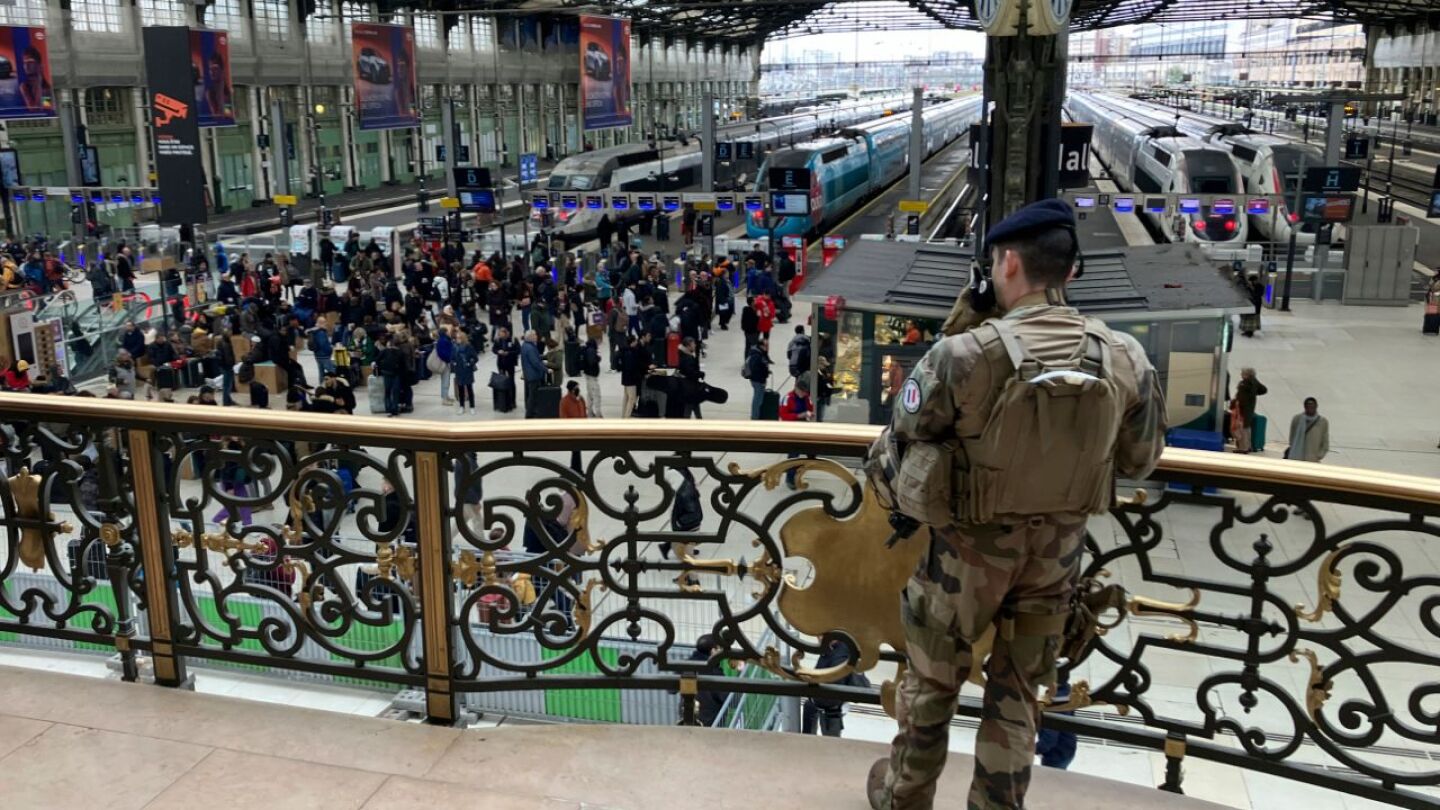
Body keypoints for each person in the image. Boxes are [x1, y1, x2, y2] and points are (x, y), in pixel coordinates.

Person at [865, 199, 1165, 810]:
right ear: (1070, 273)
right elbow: (1140, 460)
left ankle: (905, 796)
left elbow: (904, 430)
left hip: (965, 557)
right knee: (1020, 691)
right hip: (1057, 558)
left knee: (933, 681)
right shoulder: (1124, 356)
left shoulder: (965, 355)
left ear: (1005, 264)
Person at [779, 376, 814, 488]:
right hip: (792, 428)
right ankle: (790, 479)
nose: (803, 394)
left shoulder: (806, 397)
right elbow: (783, 415)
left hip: (803, 427)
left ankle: (798, 472)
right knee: (793, 455)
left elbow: (810, 406)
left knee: (807, 452)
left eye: (805, 392)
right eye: (802, 391)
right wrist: (798, 415)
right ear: (796, 389)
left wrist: (809, 413)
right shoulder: (787, 398)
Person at [1234, 367, 1267, 454]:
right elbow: (1263, 389)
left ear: (1247, 374)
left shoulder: (1246, 383)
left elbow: (1243, 395)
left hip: (1244, 408)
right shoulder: (1254, 381)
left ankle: (1243, 448)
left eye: (1242, 373)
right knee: (1246, 428)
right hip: (1248, 408)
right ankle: (1247, 446)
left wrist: (1240, 402)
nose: (1241, 374)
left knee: (1243, 428)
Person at [1286, 397, 1330, 463]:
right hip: (1296, 457)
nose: (1310, 408)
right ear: (1305, 407)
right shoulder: (1297, 419)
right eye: (1308, 406)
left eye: (1312, 406)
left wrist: (1319, 455)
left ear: (1316, 406)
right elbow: (1292, 437)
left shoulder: (1323, 421)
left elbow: (1325, 441)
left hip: (1312, 458)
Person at [559, 380, 587, 472]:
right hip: (572, 431)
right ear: (571, 390)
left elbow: (584, 412)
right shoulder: (565, 401)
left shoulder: (581, 399)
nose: (578, 390)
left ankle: (576, 469)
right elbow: (563, 418)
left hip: (581, 429)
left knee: (577, 451)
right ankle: (577, 469)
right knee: (576, 450)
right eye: (576, 388)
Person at [451, 332, 479, 415]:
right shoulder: (455, 347)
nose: (457, 339)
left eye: (459, 338)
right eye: (456, 338)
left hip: (467, 370)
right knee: (460, 390)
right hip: (459, 370)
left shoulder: (469, 347)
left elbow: (475, 357)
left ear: (463, 338)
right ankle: (461, 406)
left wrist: (470, 363)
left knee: (469, 389)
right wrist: (453, 362)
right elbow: (452, 357)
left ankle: (472, 407)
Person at [520, 330, 546, 419]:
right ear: (530, 337)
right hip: (533, 375)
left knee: (530, 395)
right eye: (534, 335)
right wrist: (546, 369)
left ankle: (531, 412)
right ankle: (529, 415)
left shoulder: (525, 345)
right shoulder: (530, 348)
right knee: (533, 396)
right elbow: (535, 362)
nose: (536, 336)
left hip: (528, 374)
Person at [492, 327, 519, 413]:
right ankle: (503, 401)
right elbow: (494, 349)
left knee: (511, 381)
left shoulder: (513, 340)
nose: (500, 335)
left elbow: (518, 350)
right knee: (502, 381)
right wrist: (498, 352)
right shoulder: (498, 340)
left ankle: (513, 401)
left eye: (501, 333)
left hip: (510, 363)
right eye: (499, 333)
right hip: (501, 364)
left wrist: (509, 353)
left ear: (506, 333)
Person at [676, 337, 704, 419]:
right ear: (688, 346)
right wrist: (700, 374)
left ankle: (700, 421)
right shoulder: (687, 358)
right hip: (689, 387)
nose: (695, 345)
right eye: (693, 344)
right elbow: (690, 372)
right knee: (689, 406)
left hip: (691, 386)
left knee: (695, 405)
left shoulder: (687, 355)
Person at [745, 336, 772, 420]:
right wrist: (763, 376)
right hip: (758, 380)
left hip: (759, 379)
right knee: (757, 400)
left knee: (758, 399)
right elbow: (756, 368)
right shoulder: (757, 355)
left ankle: (756, 415)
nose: (767, 347)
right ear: (761, 346)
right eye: (766, 345)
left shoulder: (759, 353)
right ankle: (755, 417)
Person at [581, 337, 603, 417]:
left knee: (590, 395)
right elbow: (592, 362)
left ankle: (590, 412)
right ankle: (598, 413)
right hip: (592, 377)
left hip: (588, 376)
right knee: (596, 395)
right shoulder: (591, 351)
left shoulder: (586, 350)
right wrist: (598, 359)